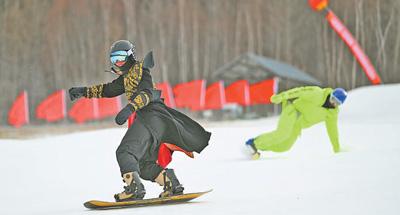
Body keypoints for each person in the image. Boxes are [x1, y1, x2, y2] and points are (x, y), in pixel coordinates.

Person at [68, 40, 211, 201]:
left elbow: (148, 94)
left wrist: (130, 108)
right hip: (154, 120)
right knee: (142, 165)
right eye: (114, 59)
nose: (118, 63)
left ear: (130, 56)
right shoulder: (127, 76)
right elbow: (108, 89)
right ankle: (171, 184)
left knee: (125, 152)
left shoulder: (141, 70)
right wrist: (84, 91)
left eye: (121, 58)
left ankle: (133, 189)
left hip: (151, 116)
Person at [245, 86, 347, 159]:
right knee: (282, 134)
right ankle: (253, 143)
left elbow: (332, 130)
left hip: (298, 125)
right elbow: (299, 91)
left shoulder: (332, 113)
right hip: (293, 111)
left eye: (337, 103)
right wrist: (282, 96)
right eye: (333, 98)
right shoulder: (317, 93)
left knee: (284, 146)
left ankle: (257, 148)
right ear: (331, 94)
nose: (333, 103)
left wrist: (336, 147)